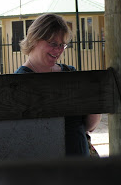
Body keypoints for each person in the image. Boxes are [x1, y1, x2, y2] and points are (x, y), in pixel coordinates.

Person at [14, 13, 101, 156]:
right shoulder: (19, 82)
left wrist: (94, 101)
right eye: (53, 44)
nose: (59, 50)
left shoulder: (70, 72)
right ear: (34, 39)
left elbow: (89, 126)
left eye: (62, 45)